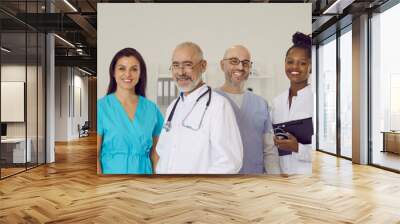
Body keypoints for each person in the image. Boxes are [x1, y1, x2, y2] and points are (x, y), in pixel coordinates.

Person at [155, 42, 243, 174]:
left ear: (203, 66)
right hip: (168, 191)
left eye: (188, 65)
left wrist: (198, 190)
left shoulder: (219, 106)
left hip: (199, 192)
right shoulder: (173, 107)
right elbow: (162, 151)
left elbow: (229, 162)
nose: (180, 72)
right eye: (175, 65)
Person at [97, 47, 164, 174]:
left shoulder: (152, 109)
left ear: (140, 73)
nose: (127, 74)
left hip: (144, 180)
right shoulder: (101, 108)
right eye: (122, 68)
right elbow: (96, 155)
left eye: (134, 69)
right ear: (113, 72)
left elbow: (155, 154)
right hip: (111, 181)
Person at [215, 45, 278, 174]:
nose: (240, 67)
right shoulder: (210, 101)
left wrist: (275, 180)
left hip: (255, 181)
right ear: (222, 65)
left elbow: (269, 150)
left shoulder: (261, 103)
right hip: (221, 181)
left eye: (245, 63)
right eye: (234, 61)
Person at [271, 32, 314, 175]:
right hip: (282, 177)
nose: (295, 67)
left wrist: (297, 148)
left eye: (302, 63)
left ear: (311, 67)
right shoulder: (277, 102)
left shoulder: (314, 100)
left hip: (308, 179)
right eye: (290, 61)